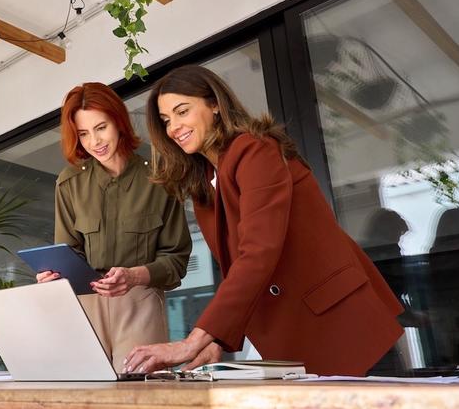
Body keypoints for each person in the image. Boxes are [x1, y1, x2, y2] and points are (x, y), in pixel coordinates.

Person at [123, 65, 404, 376]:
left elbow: (259, 252)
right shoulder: (205, 184)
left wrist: (193, 340)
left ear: (214, 104)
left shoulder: (255, 149)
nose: (174, 126)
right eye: (166, 121)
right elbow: (240, 272)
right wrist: (217, 340)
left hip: (342, 321)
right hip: (293, 328)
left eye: (182, 111)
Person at [37, 82, 192, 372]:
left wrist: (134, 276)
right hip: (85, 307)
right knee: (83, 398)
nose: (95, 141)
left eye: (101, 127)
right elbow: (67, 252)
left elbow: (177, 259)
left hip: (140, 304)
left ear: (119, 122)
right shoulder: (69, 183)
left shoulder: (161, 176)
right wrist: (53, 275)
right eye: (83, 134)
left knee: (141, 401)